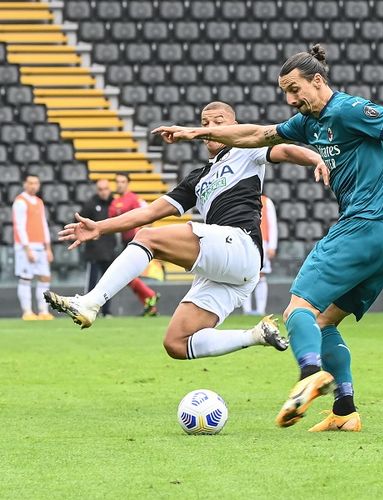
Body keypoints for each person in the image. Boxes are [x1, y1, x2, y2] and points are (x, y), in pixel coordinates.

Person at [153, 44, 383, 432]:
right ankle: (345, 410)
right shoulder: (308, 122)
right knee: (323, 322)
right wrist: (200, 132)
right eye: (284, 93)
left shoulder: (349, 110)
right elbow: (257, 134)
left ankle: (309, 374)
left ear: (317, 80)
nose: (290, 99)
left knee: (297, 311)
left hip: (363, 225)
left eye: (294, 89)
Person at [44, 101, 329, 364]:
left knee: (147, 238)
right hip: (231, 272)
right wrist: (99, 228)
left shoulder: (248, 150)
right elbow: (149, 212)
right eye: (205, 122)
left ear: (233, 125)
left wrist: (315, 159)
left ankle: (91, 302)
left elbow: (286, 149)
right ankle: (256, 335)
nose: (210, 128)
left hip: (241, 244)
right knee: (177, 343)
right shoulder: (197, 178)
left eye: (218, 121)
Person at [110, 172, 161, 316]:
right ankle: (150, 305)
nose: (119, 184)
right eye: (118, 181)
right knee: (127, 275)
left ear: (127, 183)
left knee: (127, 274)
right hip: (122, 242)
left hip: (134, 240)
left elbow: (148, 215)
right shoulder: (115, 202)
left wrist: (142, 231)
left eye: (122, 181)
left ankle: (149, 295)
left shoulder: (133, 199)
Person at [12, 173, 54, 320]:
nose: (33, 186)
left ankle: (43, 311)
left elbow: (44, 224)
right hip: (26, 247)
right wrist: (26, 247)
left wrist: (48, 247)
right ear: (25, 184)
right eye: (30, 183)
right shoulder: (20, 201)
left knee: (44, 277)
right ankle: (27, 311)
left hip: (40, 245)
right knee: (26, 278)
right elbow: (19, 226)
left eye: (36, 183)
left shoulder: (39, 202)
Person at [79, 179, 117, 317]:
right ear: (97, 190)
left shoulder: (115, 204)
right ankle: (86, 310)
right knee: (92, 284)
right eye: (100, 189)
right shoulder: (90, 204)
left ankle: (106, 312)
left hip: (110, 251)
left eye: (106, 188)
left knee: (109, 284)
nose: (103, 192)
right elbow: (79, 223)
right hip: (93, 252)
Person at [242, 194, 277, 316]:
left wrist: (272, 245)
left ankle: (261, 310)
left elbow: (272, 224)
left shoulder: (266, 202)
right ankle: (247, 310)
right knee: (245, 275)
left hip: (263, 242)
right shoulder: (242, 199)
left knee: (261, 275)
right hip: (246, 240)